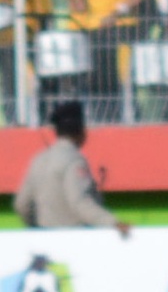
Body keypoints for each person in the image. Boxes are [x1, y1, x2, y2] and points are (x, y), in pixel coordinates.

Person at [10, 100, 126, 233]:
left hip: (45, 243)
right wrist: (113, 223)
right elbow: (80, 203)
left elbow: (21, 204)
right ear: (81, 131)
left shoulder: (38, 160)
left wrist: (36, 229)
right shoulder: (74, 161)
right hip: (73, 242)